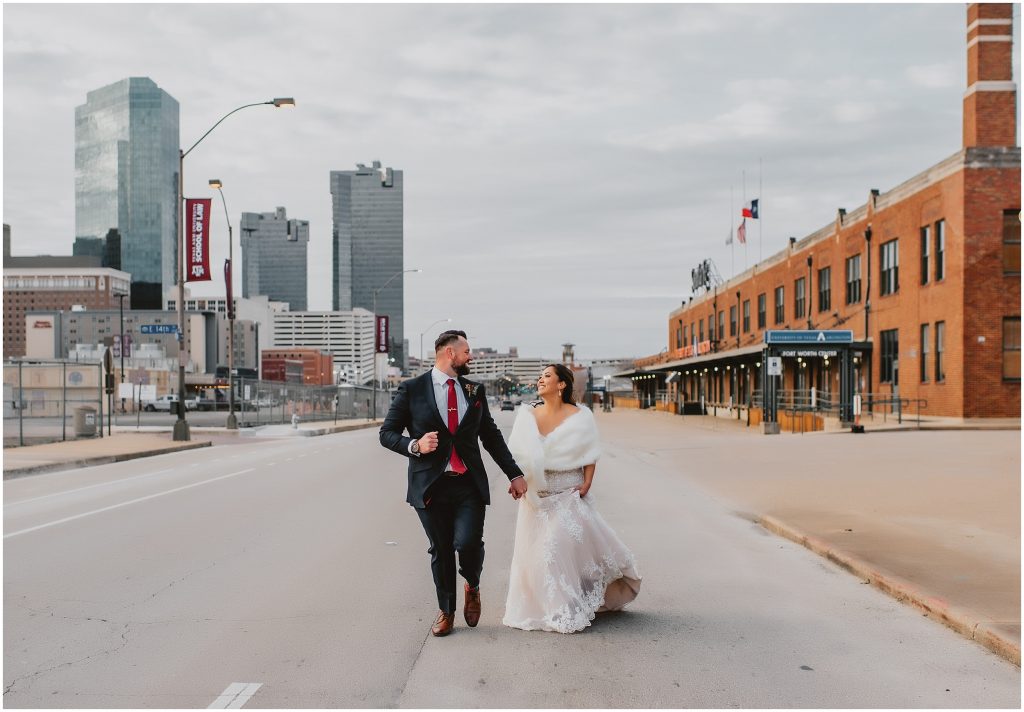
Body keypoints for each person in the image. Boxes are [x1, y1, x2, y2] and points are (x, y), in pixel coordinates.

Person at [380, 329, 528, 637]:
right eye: (466, 351)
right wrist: (415, 446)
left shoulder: (474, 390)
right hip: (430, 485)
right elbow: (387, 433)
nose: (470, 356)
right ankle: (446, 610)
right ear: (450, 353)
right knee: (441, 549)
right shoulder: (412, 389)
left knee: (468, 543)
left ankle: (472, 584)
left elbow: (490, 436)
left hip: (467, 483)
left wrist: (514, 473)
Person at [502, 363, 641, 633]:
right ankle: (548, 605)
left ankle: (565, 609)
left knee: (552, 553)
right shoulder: (527, 416)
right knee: (534, 558)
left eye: (546, 376)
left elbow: (590, 452)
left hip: (569, 492)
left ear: (561, 384)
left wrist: (587, 482)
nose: (540, 380)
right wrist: (516, 480)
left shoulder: (581, 416)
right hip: (537, 497)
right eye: (539, 376)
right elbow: (515, 457)